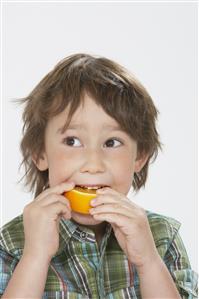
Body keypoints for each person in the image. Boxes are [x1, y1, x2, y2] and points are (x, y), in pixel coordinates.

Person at [0, 53, 197, 298]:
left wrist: (149, 263)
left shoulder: (161, 236)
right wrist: (34, 257)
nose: (93, 165)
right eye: (72, 141)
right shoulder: (11, 243)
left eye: (112, 142)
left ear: (140, 157)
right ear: (40, 153)